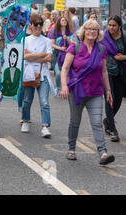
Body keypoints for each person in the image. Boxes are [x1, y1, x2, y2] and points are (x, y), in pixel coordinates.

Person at [60, 19, 115, 165]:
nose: (92, 31)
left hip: (95, 92)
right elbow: (65, 69)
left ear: (98, 33)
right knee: (75, 121)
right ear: (84, 31)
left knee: (97, 122)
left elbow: (104, 71)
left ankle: (103, 153)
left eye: (95, 29)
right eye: (89, 29)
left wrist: (108, 90)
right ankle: (71, 149)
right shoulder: (74, 47)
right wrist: (64, 86)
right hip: (77, 91)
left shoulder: (102, 49)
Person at [21, 13, 53, 138]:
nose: (39, 26)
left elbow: (49, 57)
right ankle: (25, 120)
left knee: (44, 102)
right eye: (36, 24)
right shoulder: (26, 40)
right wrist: (41, 54)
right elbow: (24, 56)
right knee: (27, 100)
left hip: (43, 74)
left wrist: (32, 56)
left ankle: (45, 126)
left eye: (41, 24)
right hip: (29, 73)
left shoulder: (47, 40)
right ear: (31, 26)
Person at [100, 16, 126, 142]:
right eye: (109, 25)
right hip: (106, 72)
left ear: (119, 26)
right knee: (110, 99)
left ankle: (107, 121)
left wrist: (123, 57)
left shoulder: (124, 37)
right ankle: (112, 129)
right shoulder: (103, 37)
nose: (111, 27)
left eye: (114, 25)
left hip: (121, 72)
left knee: (119, 100)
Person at [51, 17, 74, 95]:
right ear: (59, 22)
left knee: (67, 73)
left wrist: (66, 38)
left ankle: (67, 88)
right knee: (57, 73)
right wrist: (60, 48)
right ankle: (58, 88)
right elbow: (52, 44)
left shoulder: (69, 33)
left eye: (65, 20)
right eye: (62, 20)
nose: (64, 21)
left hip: (67, 55)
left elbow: (72, 44)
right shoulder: (55, 32)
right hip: (57, 55)